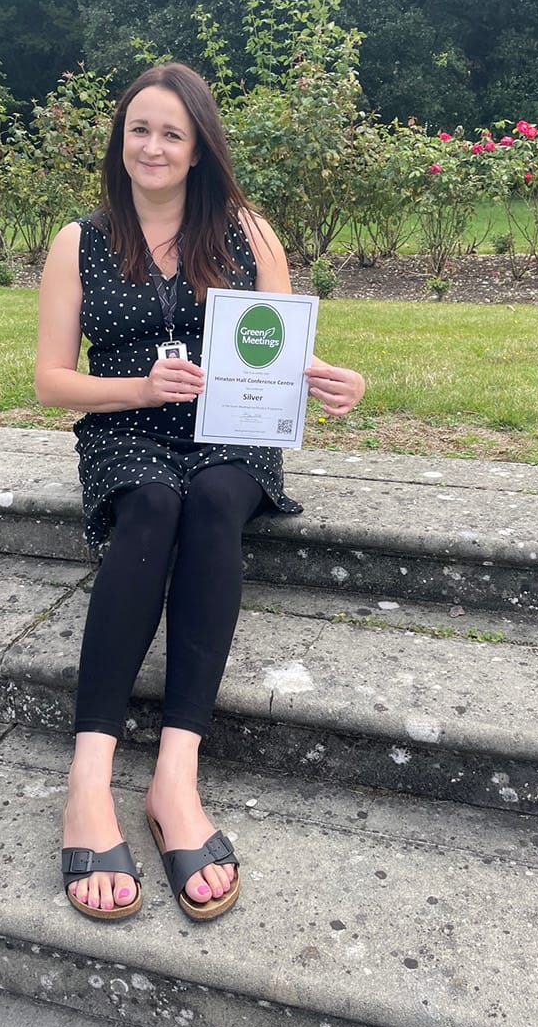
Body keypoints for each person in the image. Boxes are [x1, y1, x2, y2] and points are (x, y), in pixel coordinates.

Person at [33, 62, 366, 922]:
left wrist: (326, 378)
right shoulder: (81, 240)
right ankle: (88, 781)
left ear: (197, 148)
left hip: (230, 434)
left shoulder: (248, 232)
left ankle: (175, 780)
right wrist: (141, 391)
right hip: (126, 429)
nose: (152, 146)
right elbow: (52, 382)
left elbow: (279, 356)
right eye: (138, 129)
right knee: (153, 504)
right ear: (121, 139)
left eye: (171, 133)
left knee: (214, 500)